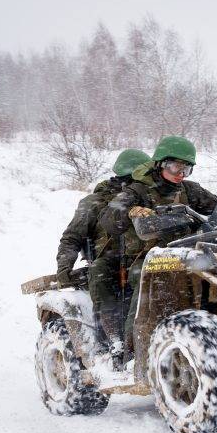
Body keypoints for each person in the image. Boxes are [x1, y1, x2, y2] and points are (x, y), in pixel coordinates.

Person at [100, 136, 217, 351]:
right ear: (160, 164)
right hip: (149, 256)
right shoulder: (137, 191)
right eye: (175, 168)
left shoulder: (189, 190)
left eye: (186, 169)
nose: (180, 174)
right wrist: (129, 211)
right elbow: (109, 218)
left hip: (189, 252)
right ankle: (131, 350)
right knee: (142, 285)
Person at [56, 149, 152, 349]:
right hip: (111, 263)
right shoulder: (96, 202)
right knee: (100, 271)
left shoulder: (150, 198)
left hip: (145, 259)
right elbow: (72, 237)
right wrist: (64, 269)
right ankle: (114, 342)